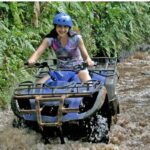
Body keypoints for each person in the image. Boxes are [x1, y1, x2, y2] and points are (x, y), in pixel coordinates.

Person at [28, 12, 94, 84]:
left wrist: (88, 60)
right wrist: (32, 59)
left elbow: (86, 57)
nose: (62, 29)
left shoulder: (76, 38)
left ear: (69, 27)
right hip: (61, 70)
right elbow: (38, 52)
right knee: (39, 84)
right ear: (55, 27)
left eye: (65, 27)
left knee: (88, 84)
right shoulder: (50, 39)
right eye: (59, 26)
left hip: (78, 68)